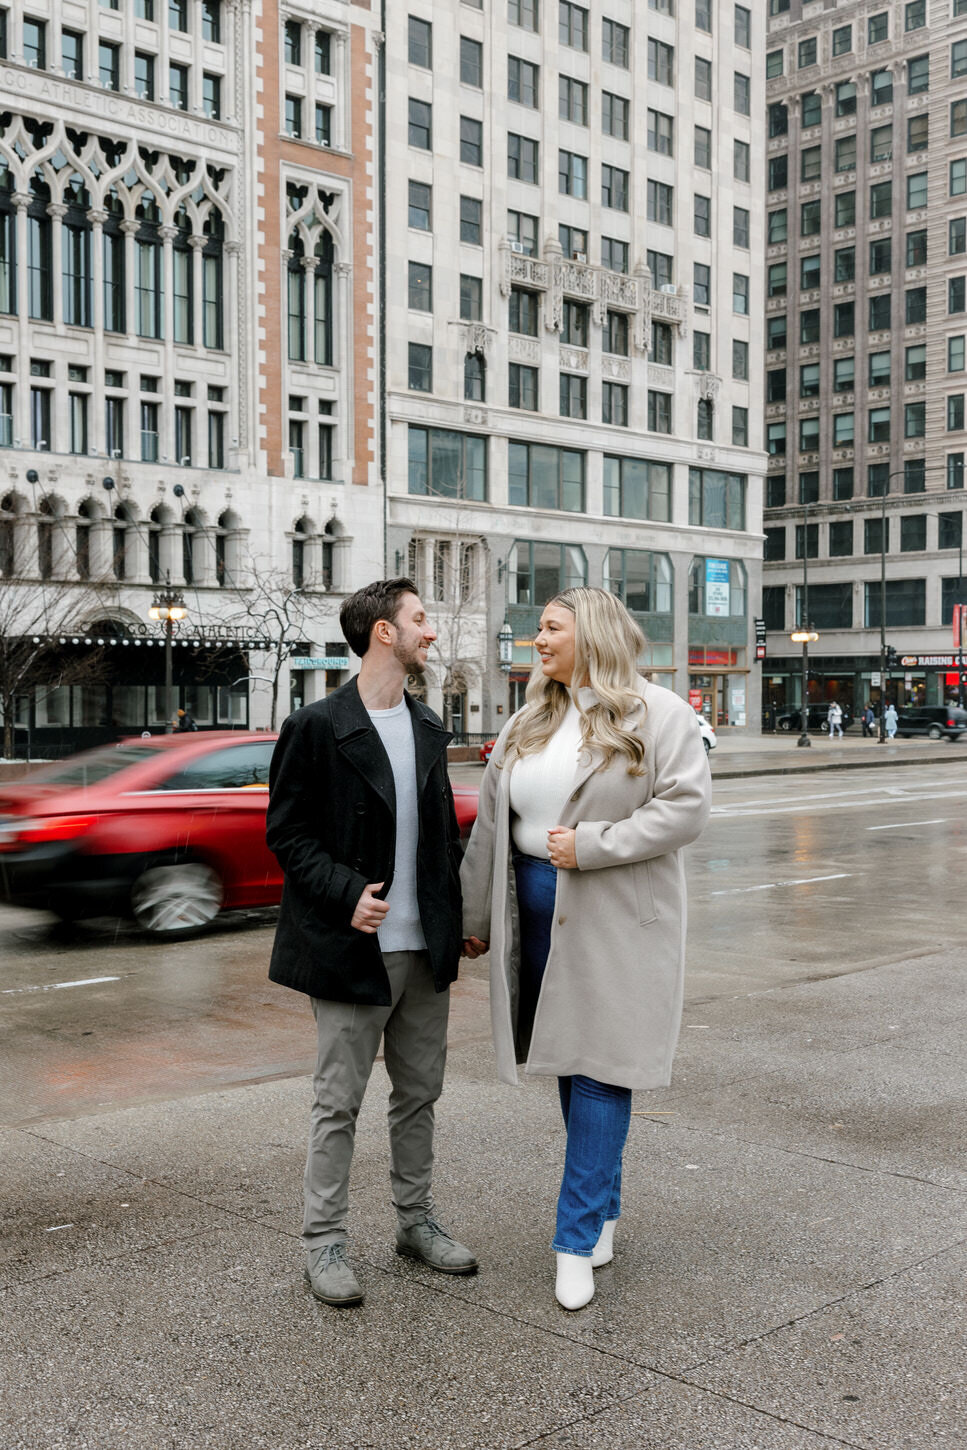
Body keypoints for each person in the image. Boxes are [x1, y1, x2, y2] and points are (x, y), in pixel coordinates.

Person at [461, 588, 711, 1312]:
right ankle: (602, 1211)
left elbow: (685, 808)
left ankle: (574, 1242)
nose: (536, 639)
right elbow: (488, 826)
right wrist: (474, 916)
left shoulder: (658, 713)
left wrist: (594, 846)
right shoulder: (527, 718)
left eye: (550, 628)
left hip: (616, 918)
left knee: (602, 1071)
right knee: (571, 1069)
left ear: (590, 634)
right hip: (533, 920)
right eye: (537, 628)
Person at [266, 578, 476, 1308]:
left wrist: (462, 918)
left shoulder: (425, 725)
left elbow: (442, 840)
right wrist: (344, 891)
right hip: (354, 949)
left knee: (418, 1096)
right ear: (383, 632)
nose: (432, 631)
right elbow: (287, 836)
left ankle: (414, 1224)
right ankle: (322, 1243)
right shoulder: (318, 726)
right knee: (338, 1103)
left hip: (426, 949)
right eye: (421, 618)